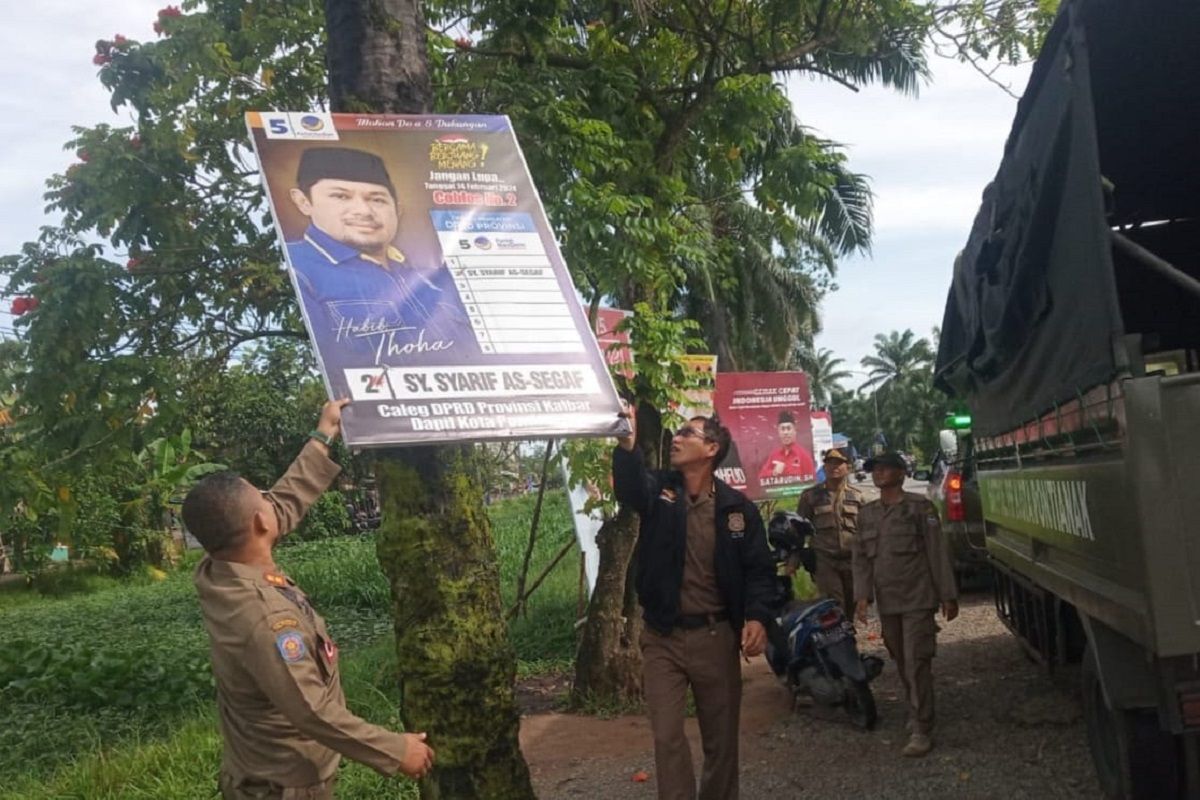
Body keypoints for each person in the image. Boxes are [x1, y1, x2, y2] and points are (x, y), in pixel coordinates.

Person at [183, 399, 434, 798]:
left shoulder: (219, 568)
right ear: (259, 523)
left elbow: (284, 502)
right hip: (283, 786)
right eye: (263, 498)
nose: (272, 501)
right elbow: (311, 710)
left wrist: (323, 434)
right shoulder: (265, 620)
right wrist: (395, 749)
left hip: (262, 768)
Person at [613, 406, 776, 800]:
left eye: (688, 433)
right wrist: (627, 444)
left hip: (715, 637)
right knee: (667, 737)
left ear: (711, 448)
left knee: (720, 742)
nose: (678, 437)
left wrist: (757, 616)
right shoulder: (660, 491)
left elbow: (759, 570)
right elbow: (632, 488)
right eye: (678, 432)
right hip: (663, 638)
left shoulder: (737, 509)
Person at [284, 146, 469, 363]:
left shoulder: (435, 278)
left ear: (397, 210)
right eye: (341, 196)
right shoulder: (296, 268)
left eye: (377, 199)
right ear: (303, 202)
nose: (363, 211)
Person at [852, 451, 958, 758]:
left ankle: (922, 727)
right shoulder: (867, 514)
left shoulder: (918, 508)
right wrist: (862, 597)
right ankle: (917, 709)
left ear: (901, 472)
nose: (879, 473)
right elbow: (860, 559)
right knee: (901, 660)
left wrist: (948, 594)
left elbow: (937, 552)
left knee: (916, 661)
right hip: (888, 603)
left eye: (886, 468)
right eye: (875, 469)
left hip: (918, 598)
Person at [795, 447, 863, 613]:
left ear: (848, 468)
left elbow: (868, 531)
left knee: (851, 604)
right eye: (830, 463)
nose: (834, 467)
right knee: (835, 605)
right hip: (825, 561)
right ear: (824, 468)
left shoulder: (859, 496)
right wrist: (793, 560)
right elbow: (798, 530)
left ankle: (847, 635)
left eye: (839, 464)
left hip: (853, 561)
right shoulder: (810, 496)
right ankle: (839, 637)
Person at [757, 410, 816, 481]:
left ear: (794, 431)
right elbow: (760, 478)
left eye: (788, 428)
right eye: (782, 429)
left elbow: (812, 481)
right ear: (778, 432)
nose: (785, 432)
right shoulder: (774, 455)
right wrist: (773, 473)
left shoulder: (804, 456)